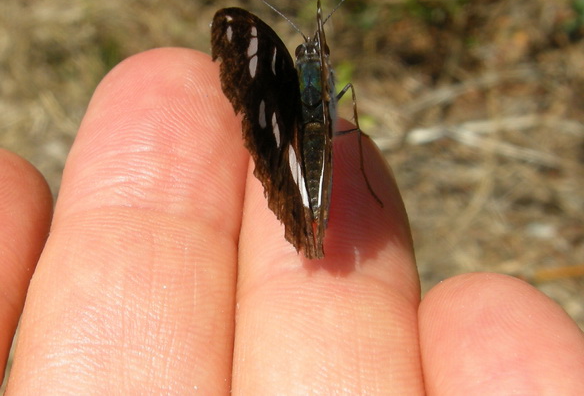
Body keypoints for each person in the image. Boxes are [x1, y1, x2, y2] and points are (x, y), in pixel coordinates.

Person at [2, 49, 583, 393]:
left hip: (298, 148)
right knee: (322, 143)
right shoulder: (271, 56)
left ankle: (311, 205)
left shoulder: (301, 68)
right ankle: (309, 207)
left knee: (324, 148)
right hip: (292, 147)